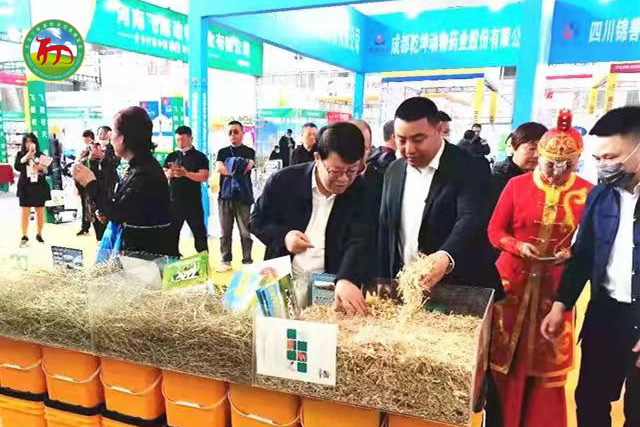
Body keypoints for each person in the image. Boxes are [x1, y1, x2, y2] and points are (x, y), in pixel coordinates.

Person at [488, 110, 593, 427]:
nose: (557, 173)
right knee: (504, 366)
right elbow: (494, 231)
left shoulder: (588, 193)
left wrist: (572, 251)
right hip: (511, 287)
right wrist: (517, 246)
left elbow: (591, 244)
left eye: (567, 167)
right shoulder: (516, 185)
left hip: (555, 293)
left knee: (546, 374)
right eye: (550, 165)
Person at [541, 106, 640, 427]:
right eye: (597, 159)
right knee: (590, 400)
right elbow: (582, 255)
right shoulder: (599, 196)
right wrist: (560, 305)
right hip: (605, 314)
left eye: (611, 157)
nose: (602, 166)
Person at [378, 97, 502, 296]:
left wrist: (446, 256)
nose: (409, 149)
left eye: (418, 139)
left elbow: (471, 218)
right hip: (406, 288)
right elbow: (387, 229)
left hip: (458, 289)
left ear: (439, 130)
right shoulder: (394, 170)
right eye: (401, 140)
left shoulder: (470, 166)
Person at [250, 122, 370, 314]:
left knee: (318, 323)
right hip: (286, 274)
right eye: (335, 171)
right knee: (282, 325)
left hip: (328, 279)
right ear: (317, 158)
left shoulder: (361, 191)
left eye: (351, 171)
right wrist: (284, 238)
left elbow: (360, 238)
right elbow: (257, 220)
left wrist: (346, 278)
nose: (344, 179)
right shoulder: (284, 181)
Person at [73, 106, 178, 257]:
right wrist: (107, 212)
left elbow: (119, 213)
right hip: (140, 252)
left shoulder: (144, 173)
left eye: (113, 133)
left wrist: (91, 183)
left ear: (122, 138)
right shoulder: (140, 167)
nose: (110, 138)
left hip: (146, 257)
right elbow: (126, 209)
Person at [215, 120, 255, 272]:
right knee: (225, 231)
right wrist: (236, 167)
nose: (233, 135)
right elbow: (220, 168)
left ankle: (247, 260)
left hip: (244, 196)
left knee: (245, 231)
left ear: (242, 133)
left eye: (236, 132)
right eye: (230, 132)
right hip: (224, 196)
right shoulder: (222, 152)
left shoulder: (249, 151)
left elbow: (248, 166)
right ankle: (226, 260)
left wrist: (230, 166)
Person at [164, 125, 210, 254]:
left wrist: (186, 174)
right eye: (177, 140)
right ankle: (172, 259)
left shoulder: (200, 157)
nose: (180, 143)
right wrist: (171, 173)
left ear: (190, 139)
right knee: (171, 234)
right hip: (174, 201)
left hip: (193, 202)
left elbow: (204, 176)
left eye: (183, 139)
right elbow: (164, 175)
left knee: (199, 234)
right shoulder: (172, 156)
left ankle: (203, 260)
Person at [490, 122, 548, 210]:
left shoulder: (544, 179)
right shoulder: (497, 178)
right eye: (531, 148)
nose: (537, 155)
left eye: (542, 150)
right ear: (513, 147)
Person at [15, 133, 51, 246]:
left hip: (39, 186)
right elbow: (17, 167)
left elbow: (49, 171)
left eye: (31, 141)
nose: (29, 144)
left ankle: (39, 234)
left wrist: (42, 168)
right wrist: (27, 156)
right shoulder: (20, 154)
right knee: (25, 211)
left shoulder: (41, 155)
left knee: (40, 211)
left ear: (35, 143)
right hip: (25, 186)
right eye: (26, 141)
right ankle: (24, 235)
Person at [89, 125, 121, 241]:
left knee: (109, 215)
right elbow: (91, 168)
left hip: (111, 186)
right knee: (96, 214)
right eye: (99, 134)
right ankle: (99, 240)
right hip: (97, 185)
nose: (101, 136)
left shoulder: (114, 148)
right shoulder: (94, 147)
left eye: (104, 133)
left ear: (110, 134)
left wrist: (103, 156)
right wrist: (91, 159)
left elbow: (115, 163)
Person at [77, 130, 96, 236]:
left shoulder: (95, 147)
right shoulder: (84, 150)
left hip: (92, 180)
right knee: (84, 203)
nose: (85, 140)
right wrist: (81, 157)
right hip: (82, 181)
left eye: (86, 137)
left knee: (92, 204)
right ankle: (85, 226)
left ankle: (95, 226)